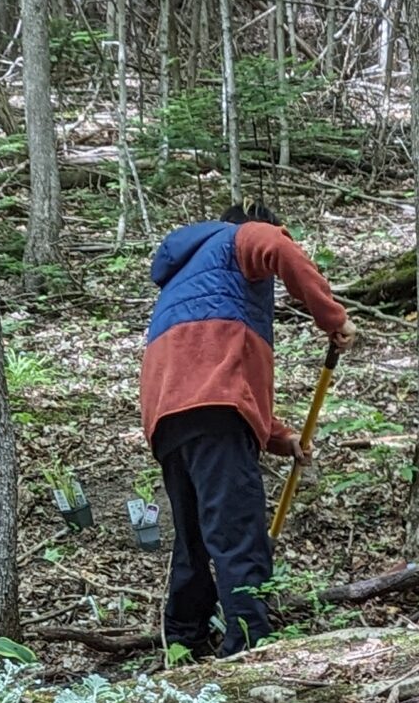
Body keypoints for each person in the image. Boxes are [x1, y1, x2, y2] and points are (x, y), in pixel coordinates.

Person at [140, 202, 353, 656]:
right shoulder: (242, 238)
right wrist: (333, 318)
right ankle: (248, 647)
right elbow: (277, 245)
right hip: (214, 411)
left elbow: (218, 371)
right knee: (237, 533)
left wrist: (281, 437)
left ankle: (184, 639)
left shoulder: (188, 274)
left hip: (168, 417)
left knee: (196, 535)